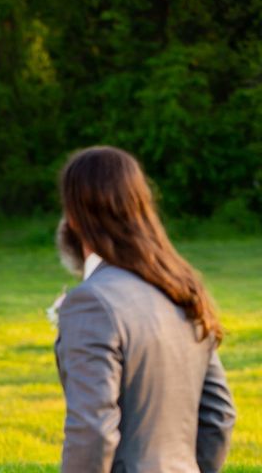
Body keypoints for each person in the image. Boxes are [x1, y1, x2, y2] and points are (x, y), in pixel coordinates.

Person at [54, 146, 236, 472]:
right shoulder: (181, 289)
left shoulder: (91, 302)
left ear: (74, 218)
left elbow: (93, 431)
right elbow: (218, 417)